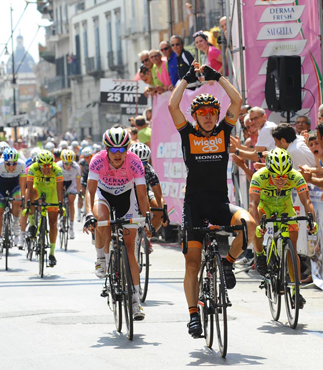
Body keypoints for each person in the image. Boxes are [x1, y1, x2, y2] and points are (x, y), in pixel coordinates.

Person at [168, 62, 256, 338]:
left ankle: (228, 262)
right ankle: (194, 315)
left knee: (250, 225)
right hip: (194, 206)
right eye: (202, 113)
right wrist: (187, 78)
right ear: (195, 116)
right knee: (192, 264)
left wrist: (216, 77)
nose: (208, 116)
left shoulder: (223, 132)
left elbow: (237, 100)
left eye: (212, 113)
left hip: (220, 204)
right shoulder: (188, 134)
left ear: (217, 115)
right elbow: (173, 106)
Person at [83, 127, 151, 320]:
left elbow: (141, 193)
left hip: (126, 197)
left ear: (128, 148)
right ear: (106, 150)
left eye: (122, 149)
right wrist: (89, 213)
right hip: (103, 195)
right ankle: (100, 258)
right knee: (102, 221)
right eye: (113, 150)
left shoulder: (134, 162)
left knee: (130, 249)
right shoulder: (97, 160)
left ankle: (136, 302)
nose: (118, 154)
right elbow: (90, 191)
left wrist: (146, 217)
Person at [249, 148, 317, 307]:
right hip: (265, 207)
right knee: (254, 226)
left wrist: (311, 221)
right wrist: (259, 225)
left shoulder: (296, 176)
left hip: (285, 208)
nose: (281, 179)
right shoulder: (259, 177)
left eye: (284, 176)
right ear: (269, 171)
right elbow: (253, 204)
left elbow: (306, 201)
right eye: (276, 176)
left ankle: (296, 292)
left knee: (292, 249)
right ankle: (260, 255)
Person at [25, 150, 64, 267]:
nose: (46, 169)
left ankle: (52, 254)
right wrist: (28, 204)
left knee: (53, 222)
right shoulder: (33, 168)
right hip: (38, 189)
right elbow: (29, 188)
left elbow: (59, 189)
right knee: (30, 196)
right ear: (39, 165)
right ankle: (32, 224)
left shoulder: (57, 170)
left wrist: (60, 205)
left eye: (49, 166)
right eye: (43, 166)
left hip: (52, 192)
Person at [0, 148, 26, 258]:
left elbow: (23, 185)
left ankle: (15, 222)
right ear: (4, 162)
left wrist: (23, 199)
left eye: (14, 163)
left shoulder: (21, 165)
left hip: (15, 184)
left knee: (17, 200)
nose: (11, 167)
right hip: (0, 186)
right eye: (8, 164)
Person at [129, 142, 168, 233]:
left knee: (160, 211)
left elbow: (158, 195)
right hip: (128, 194)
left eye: (143, 162)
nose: (140, 166)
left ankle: (148, 233)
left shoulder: (149, 170)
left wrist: (164, 213)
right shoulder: (124, 168)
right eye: (136, 162)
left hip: (145, 193)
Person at [57, 149, 81, 239]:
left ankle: (71, 227)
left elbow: (78, 182)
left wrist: (78, 192)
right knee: (60, 200)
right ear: (63, 162)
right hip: (61, 182)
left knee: (71, 201)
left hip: (71, 183)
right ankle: (61, 219)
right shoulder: (58, 166)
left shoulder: (76, 167)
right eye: (66, 163)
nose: (68, 166)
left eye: (70, 163)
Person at [78, 146, 93, 222]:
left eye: (89, 157)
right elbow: (80, 174)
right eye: (86, 157)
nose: (88, 159)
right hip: (85, 176)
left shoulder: (94, 160)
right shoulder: (82, 162)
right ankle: (79, 212)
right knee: (81, 192)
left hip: (92, 176)